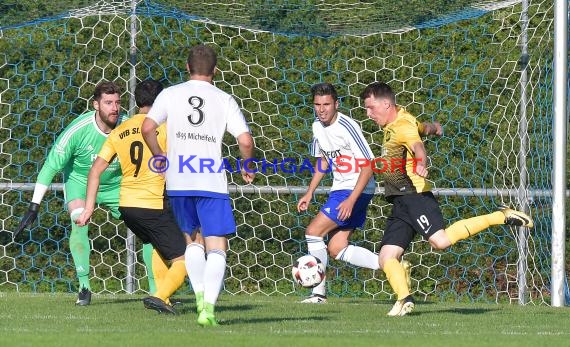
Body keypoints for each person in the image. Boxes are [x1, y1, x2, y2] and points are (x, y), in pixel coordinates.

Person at [360, 81, 534, 316]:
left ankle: (499, 216)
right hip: (400, 201)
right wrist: (435, 127)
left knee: (440, 242)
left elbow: (417, 145)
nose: (368, 114)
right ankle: (404, 299)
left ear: (386, 104)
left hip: (415, 196)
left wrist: (421, 161)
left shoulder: (401, 125)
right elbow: (422, 129)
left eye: (371, 108)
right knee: (386, 257)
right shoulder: (404, 118)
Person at [141, 44, 255, 326]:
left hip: (179, 180)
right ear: (215, 71)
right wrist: (247, 165)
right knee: (217, 245)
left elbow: (147, 128)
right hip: (210, 180)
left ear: (187, 68)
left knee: (192, 241)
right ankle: (209, 309)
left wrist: (160, 158)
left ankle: (200, 297)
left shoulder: (170, 93)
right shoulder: (224, 99)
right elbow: (245, 140)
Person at [297, 82, 441, 304]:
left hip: (355, 188)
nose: (322, 109)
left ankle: (318, 294)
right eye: (317, 104)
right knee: (336, 248)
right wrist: (309, 192)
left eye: (326, 104)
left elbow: (368, 164)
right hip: (343, 189)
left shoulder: (348, 126)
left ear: (336, 104)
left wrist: (351, 200)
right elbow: (323, 161)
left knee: (313, 232)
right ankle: (391, 265)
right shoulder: (316, 125)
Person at [14, 81, 156, 306]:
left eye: (118, 102)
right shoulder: (78, 130)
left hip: (115, 185)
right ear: (95, 105)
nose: (114, 108)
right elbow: (50, 167)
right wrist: (34, 206)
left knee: (149, 230)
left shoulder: (127, 127)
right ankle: (84, 287)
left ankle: (157, 291)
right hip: (80, 182)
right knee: (79, 219)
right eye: (108, 103)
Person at [75, 79, 187, 315]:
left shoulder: (120, 131)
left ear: (136, 102)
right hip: (152, 204)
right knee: (185, 258)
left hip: (127, 206)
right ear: (160, 102)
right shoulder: (164, 128)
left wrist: (88, 208)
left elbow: (95, 171)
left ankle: (163, 298)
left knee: (157, 246)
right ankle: (159, 296)